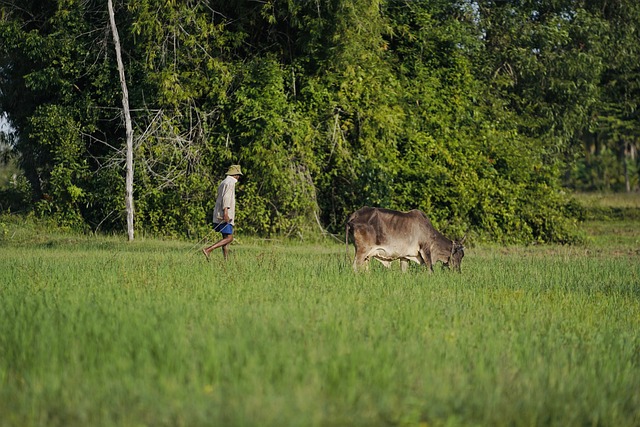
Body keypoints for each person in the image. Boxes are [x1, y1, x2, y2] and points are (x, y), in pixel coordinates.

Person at [202, 164, 243, 261]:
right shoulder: (230, 183)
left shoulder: (224, 182)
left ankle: (226, 261)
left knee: (225, 239)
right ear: (236, 175)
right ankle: (208, 249)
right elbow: (226, 198)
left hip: (219, 212)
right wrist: (226, 213)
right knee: (229, 238)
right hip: (225, 213)